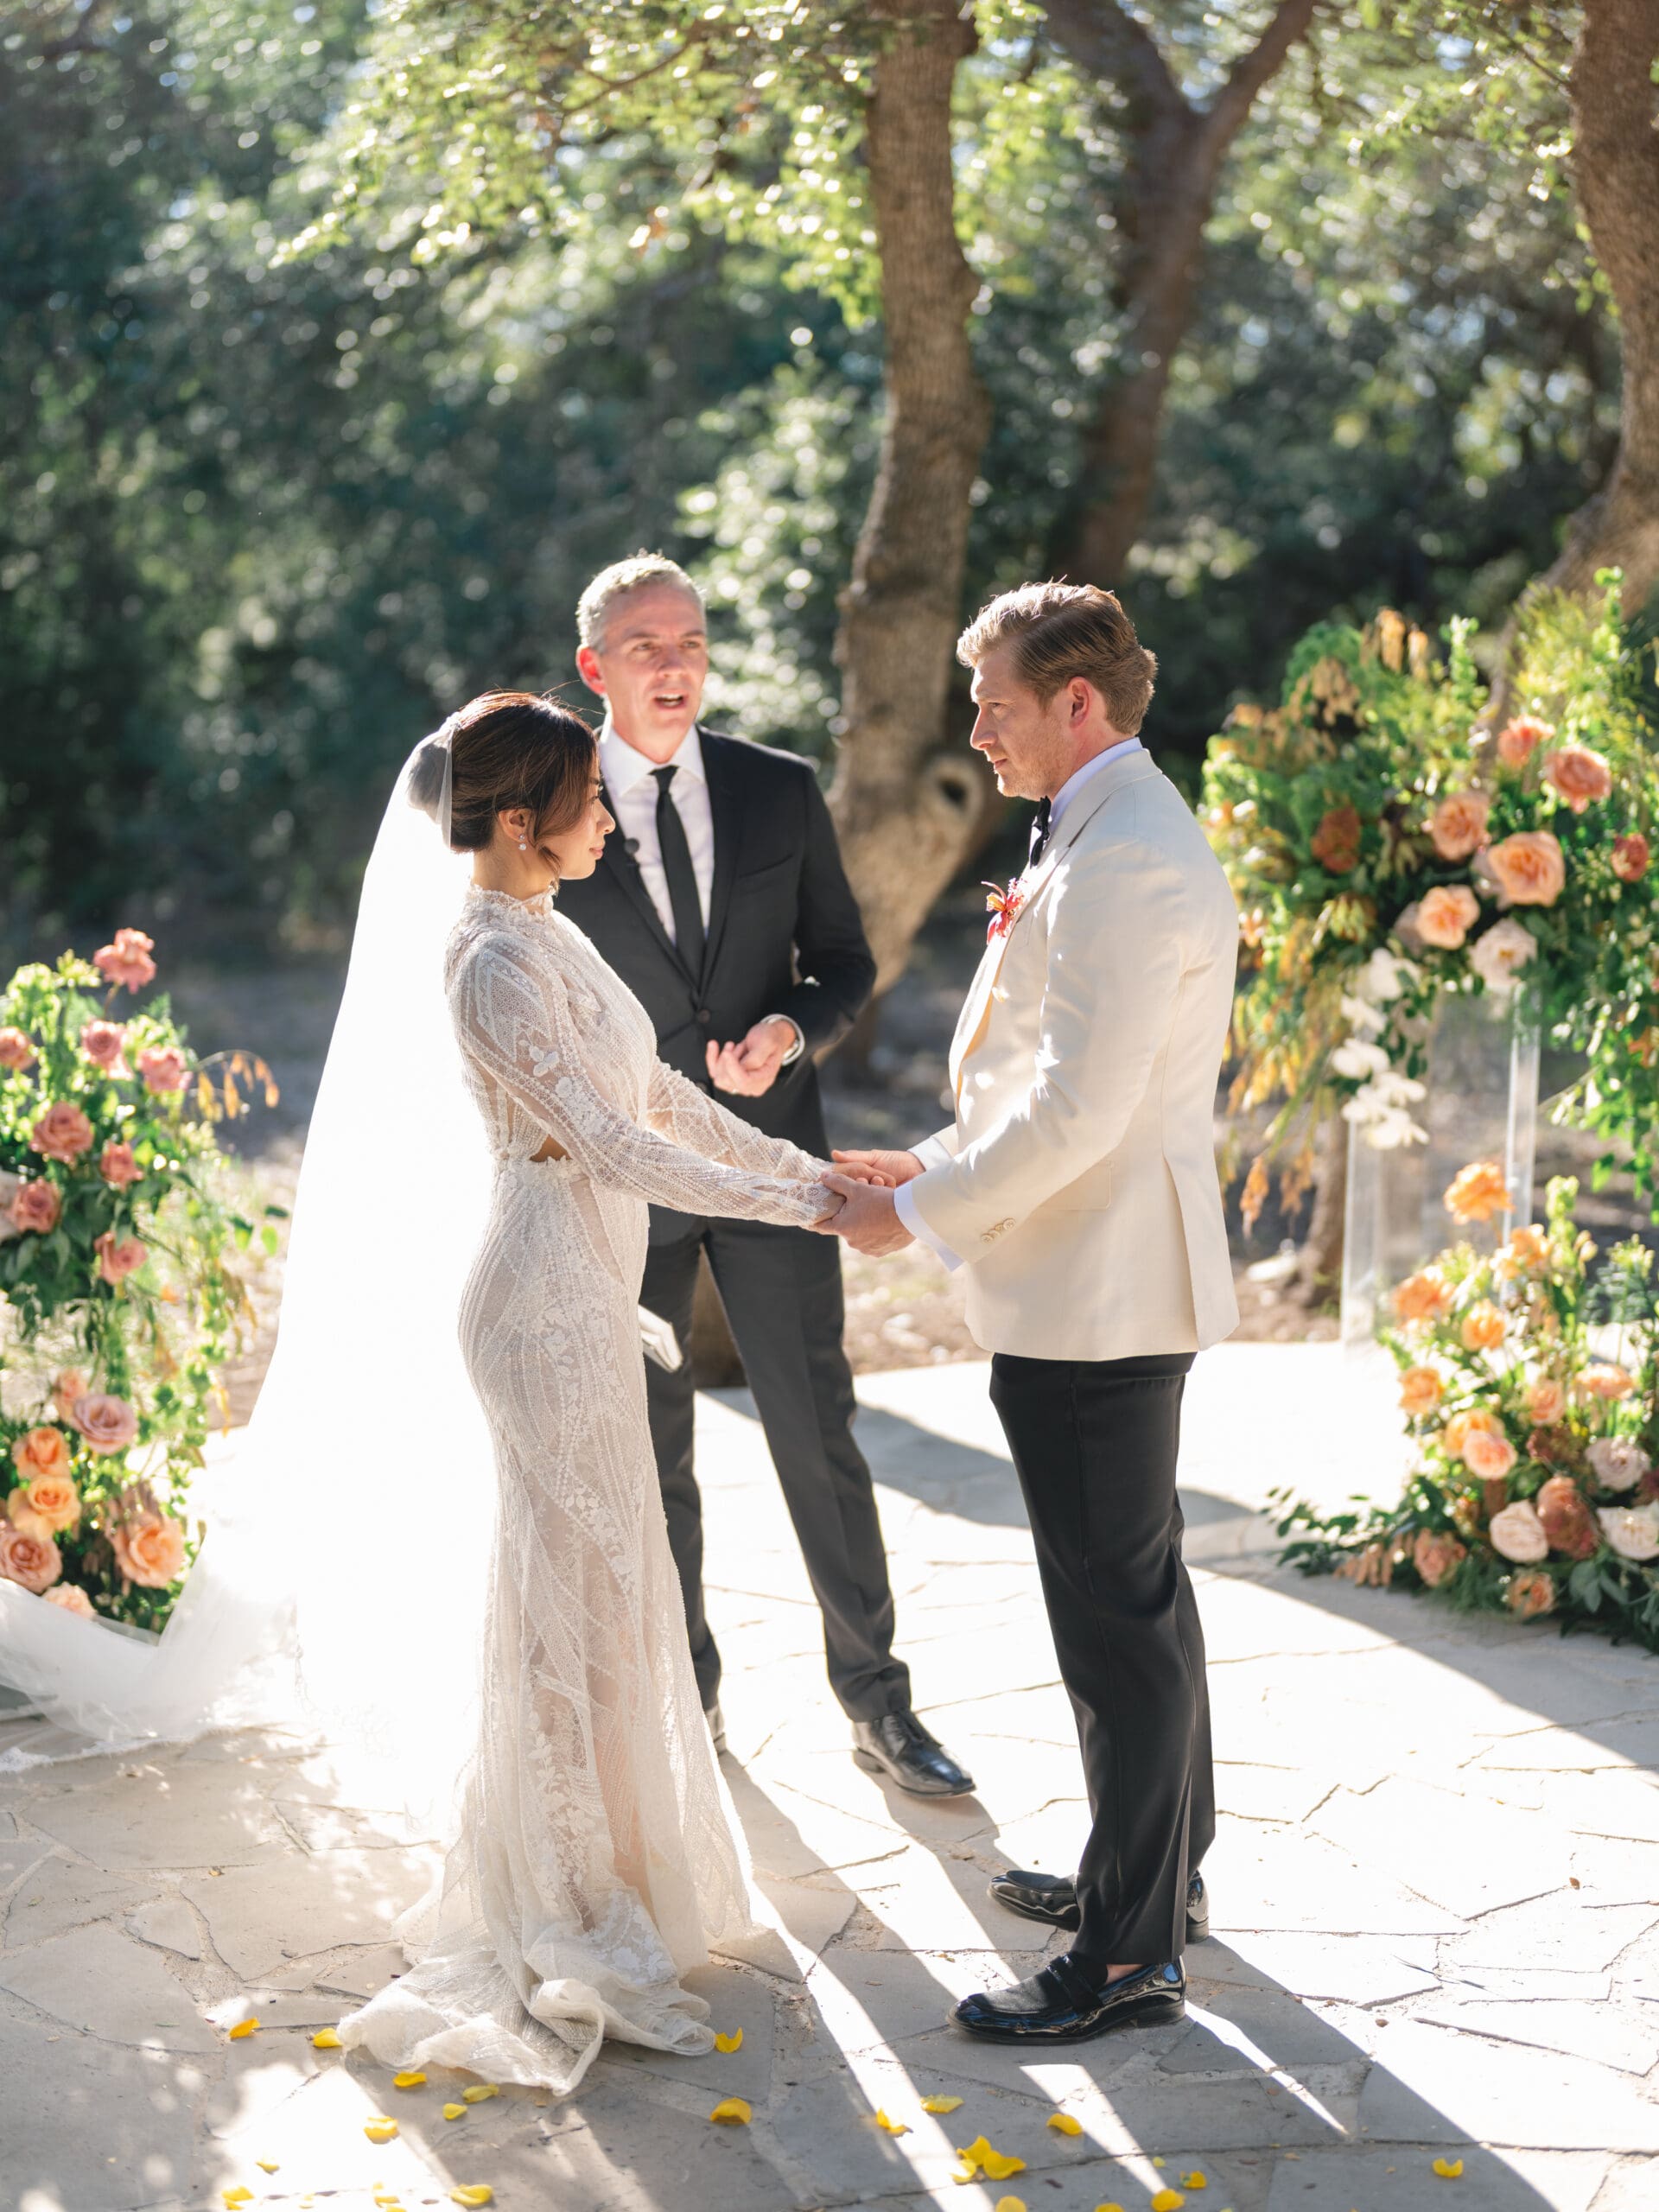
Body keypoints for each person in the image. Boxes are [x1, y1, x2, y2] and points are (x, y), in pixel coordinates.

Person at [335, 693, 846, 2095]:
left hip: (583, 1295)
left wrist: (811, 1175)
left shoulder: (552, 934)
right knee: (578, 1591)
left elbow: (667, 1098)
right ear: (520, 822)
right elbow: (615, 1144)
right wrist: (802, 1209)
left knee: (616, 1592)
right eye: (588, 800)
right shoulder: (487, 964)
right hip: (540, 1305)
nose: (610, 818)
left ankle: (619, 1868)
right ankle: (565, 1897)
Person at [823, 582, 1240, 2044]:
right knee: (1138, 1602)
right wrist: (926, 1161)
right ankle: (1157, 1880)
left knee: (1114, 1623)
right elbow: (1040, 1097)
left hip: (1102, 1289)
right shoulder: (1102, 827)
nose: (979, 727)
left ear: (1076, 703)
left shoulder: (1126, 857)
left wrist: (916, 1216)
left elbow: (1080, 1114)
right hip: (1094, 1271)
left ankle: (1129, 1962)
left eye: (995, 700)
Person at [556, 554, 973, 1799]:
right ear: (595, 671)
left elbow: (840, 961)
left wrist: (795, 1030)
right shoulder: (550, 799)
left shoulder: (778, 789)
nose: (675, 662)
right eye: (645, 645)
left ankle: (878, 1703)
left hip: (775, 1166)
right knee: (650, 1450)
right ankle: (690, 1703)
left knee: (819, 1431)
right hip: (627, 1179)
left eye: (689, 639)